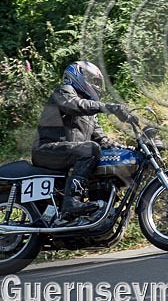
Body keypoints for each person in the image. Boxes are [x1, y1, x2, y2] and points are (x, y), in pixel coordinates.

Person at [31, 61, 137, 226]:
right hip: (48, 150)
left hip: (70, 153)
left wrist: (126, 150)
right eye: (94, 81)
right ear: (78, 75)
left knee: (103, 153)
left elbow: (102, 139)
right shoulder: (63, 92)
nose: (97, 87)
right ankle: (71, 202)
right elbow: (75, 105)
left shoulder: (90, 115)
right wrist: (109, 107)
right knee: (90, 149)